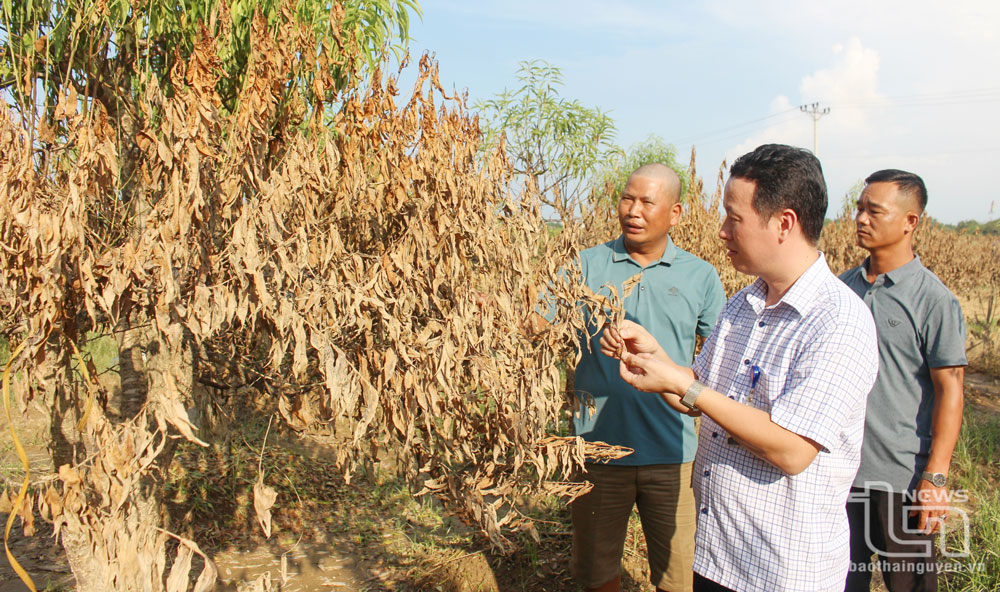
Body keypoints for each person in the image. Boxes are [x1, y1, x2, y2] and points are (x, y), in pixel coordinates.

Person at [601, 144, 879, 592]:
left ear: (783, 223)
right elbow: (701, 394)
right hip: (719, 558)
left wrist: (683, 385)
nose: (722, 232)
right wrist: (658, 363)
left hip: (782, 570)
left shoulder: (839, 322)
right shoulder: (743, 306)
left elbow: (792, 450)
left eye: (734, 218)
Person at [568, 163, 726, 592]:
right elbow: (533, 323)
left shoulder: (701, 276)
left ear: (675, 213)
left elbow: (721, 361)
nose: (633, 210)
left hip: (672, 450)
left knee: (678, 576)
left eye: (647, 202)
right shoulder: (584, 264)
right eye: (627, 198)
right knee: (597, 571)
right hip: (596, 447)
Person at [841, 170, 967, 592]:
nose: (861, 218)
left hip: (901, 479)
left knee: (909, 586)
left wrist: (936, 477)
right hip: (839, 473)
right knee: (838, 580)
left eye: (874, 211)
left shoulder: (933, 300)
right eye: (859, 209)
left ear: (911, 222)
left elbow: (951, 389)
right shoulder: (842, 289)